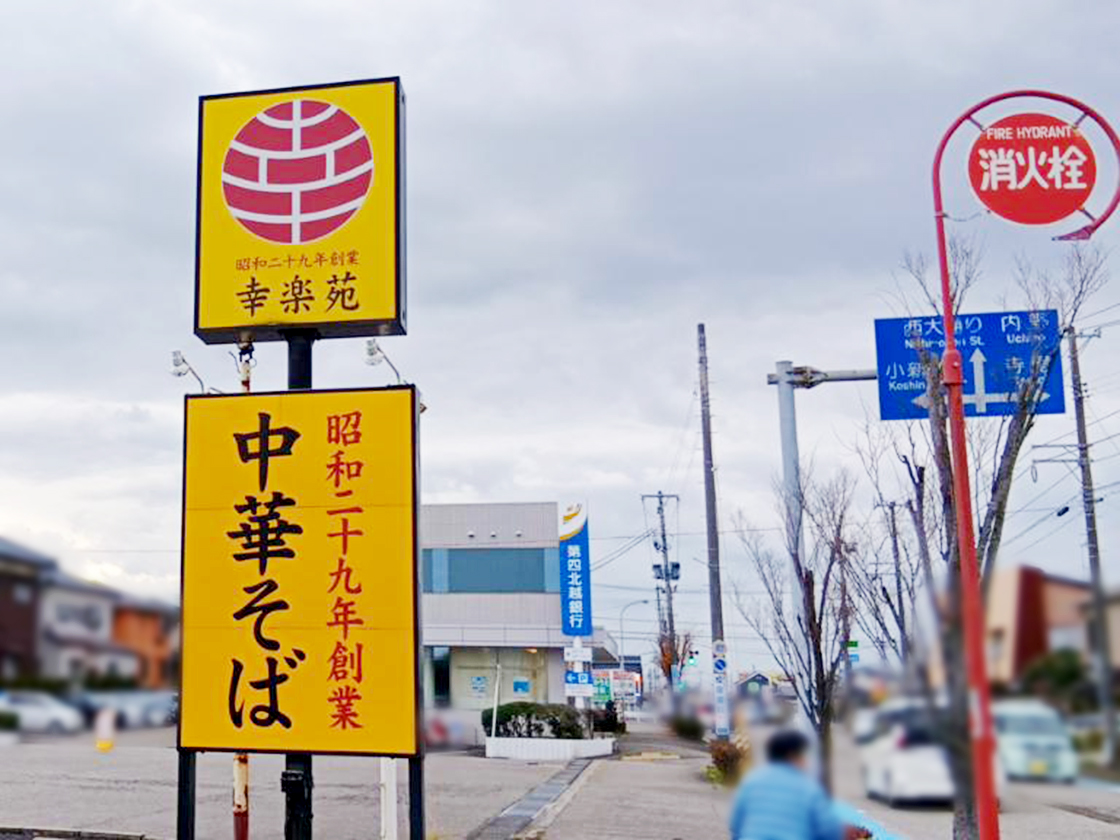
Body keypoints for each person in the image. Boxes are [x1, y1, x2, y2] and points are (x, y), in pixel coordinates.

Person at [729, 729, 859, 840]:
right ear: (792, 756)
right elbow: (829, 830)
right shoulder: (808, 788)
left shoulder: (752, 782)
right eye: (803, 756)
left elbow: (736, 824)